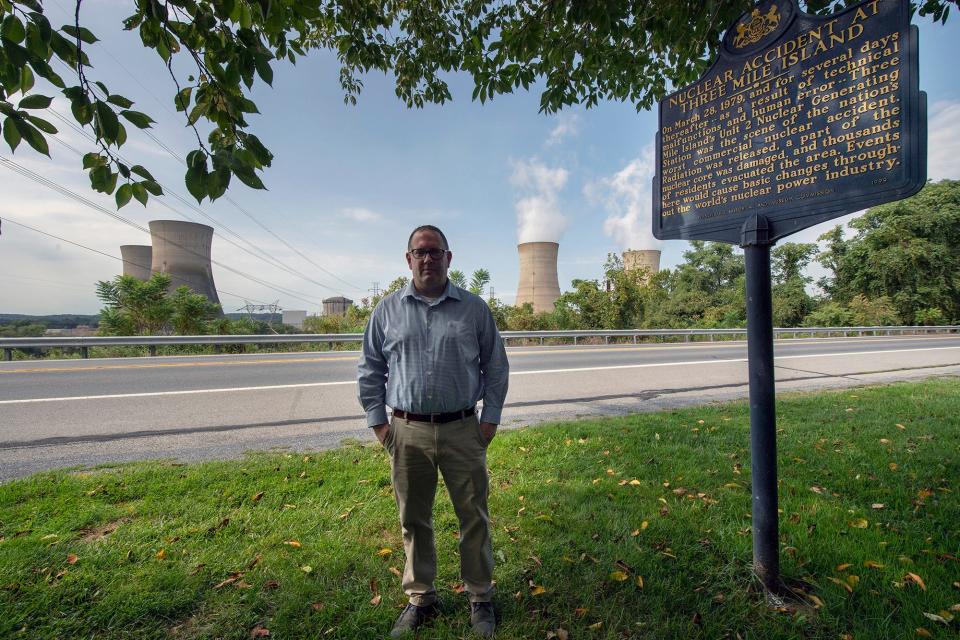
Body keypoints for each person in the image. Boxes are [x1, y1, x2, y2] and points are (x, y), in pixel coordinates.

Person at [358, 225, 509, 638]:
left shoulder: (474, 309)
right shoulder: (386, 311)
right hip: (407, 431)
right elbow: (371, 369)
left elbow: (495, 367)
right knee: (413, 518)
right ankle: (421, 597)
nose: (428, 259)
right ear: (408, 259)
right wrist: (380, 424)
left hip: (463, 428)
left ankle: (480, 596)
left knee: (473, 516)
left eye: (435, 252)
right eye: (420, 252)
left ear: (448, 257)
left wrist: (489, 419)